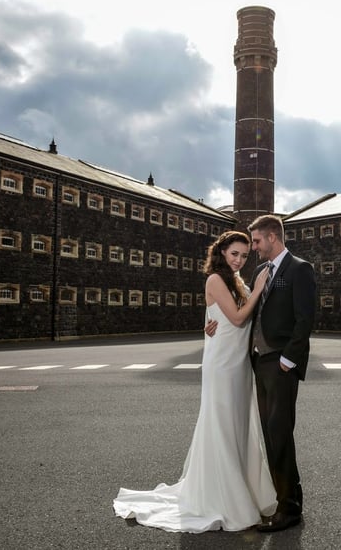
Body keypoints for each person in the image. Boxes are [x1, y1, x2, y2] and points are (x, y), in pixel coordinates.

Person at [113, 230, 277, 532]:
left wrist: (215, 321)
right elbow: (238, 318)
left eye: (244, 255)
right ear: (222, 252)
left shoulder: (236, 280)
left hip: (239, 363)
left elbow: (236, 319)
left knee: (238, 425)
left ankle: (242, 491)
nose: (240, 260)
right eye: (234, 254)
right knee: (222, 424)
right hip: (223, 365)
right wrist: (258, 288)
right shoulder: (215, 279)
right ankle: (223, 498)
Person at [207, 214, 316, 533]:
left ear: (272, 237)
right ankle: (284, 500)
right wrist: (213, 323)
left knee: (280, 433)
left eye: (255, 242)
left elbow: (305, 319)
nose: (252, 248)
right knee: (270, 434)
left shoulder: (300, 269)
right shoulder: (258, 272)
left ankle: (289, 509)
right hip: (258, 363)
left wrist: (288, 360)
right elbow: (246, 314)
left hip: (281, 364)